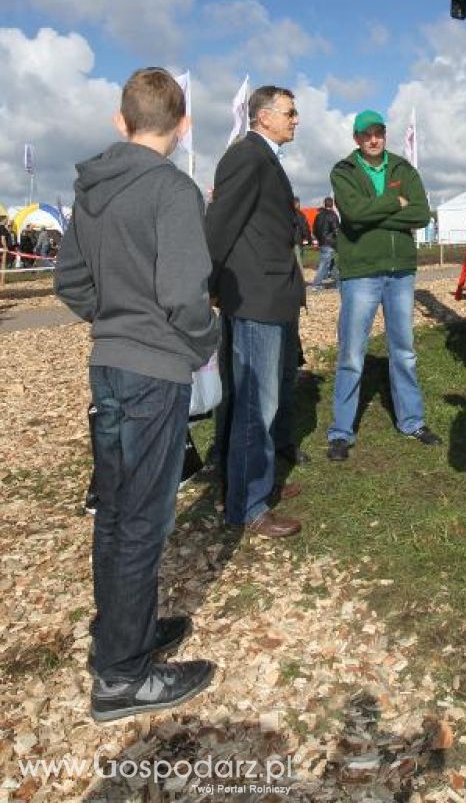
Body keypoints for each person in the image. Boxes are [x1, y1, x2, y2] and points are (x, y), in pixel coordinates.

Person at [55, 67, 218, 723]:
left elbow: (69, 279)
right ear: (182, 129)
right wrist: (202, 342)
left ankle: (118, 636)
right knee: (141, 522)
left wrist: (113, 318)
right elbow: (184, 296)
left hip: (111, 365)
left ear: (120, 122)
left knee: (119, 516)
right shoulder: (172, 189)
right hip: (152, 372)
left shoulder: (92, 186)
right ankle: (122, 677)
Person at [205, 85, 306, 537]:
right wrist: (208, 285)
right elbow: (219, 227)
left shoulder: (264, 158)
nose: (296, 119)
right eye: (290, 112)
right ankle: (248, 505)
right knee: (254, 404)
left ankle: (249, 484)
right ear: (263, 116)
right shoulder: (246, 156)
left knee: (258, 398)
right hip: (254, 298)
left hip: (269, 295)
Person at [327, 109, 441, 460]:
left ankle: (412, 421)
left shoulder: (404, 169)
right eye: (366, 134)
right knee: (351, 352)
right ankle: (341, 432)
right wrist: (395, 203)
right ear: (356, 139)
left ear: (384, 134)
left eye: (378, 133)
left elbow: (421, 213)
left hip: (401, 271)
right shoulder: (343, 171)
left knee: (404, 350)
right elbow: (354, 215)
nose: (373, 139)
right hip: (361, 270)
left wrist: (375, 212)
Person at [310, 196, 339, 289]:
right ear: (333, 204)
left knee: (331, 264)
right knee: (324, 264)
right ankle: (316, 284)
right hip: (330, 243)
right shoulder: (333, 215)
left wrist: (319, 239)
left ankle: (338, 282)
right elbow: (336, 231)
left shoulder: (318, 216)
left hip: (322, 242)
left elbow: (314, 230)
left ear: (324, 204)